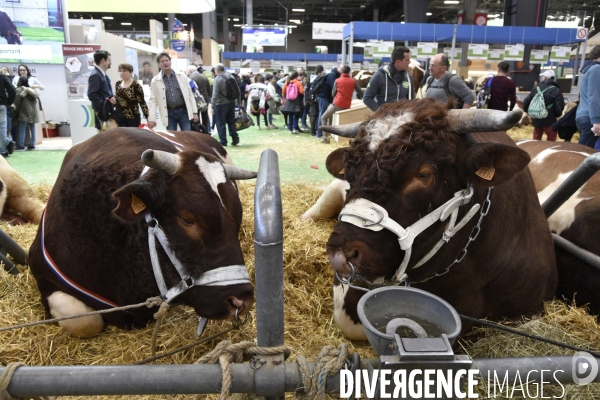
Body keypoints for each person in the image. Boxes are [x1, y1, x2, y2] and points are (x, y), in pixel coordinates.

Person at [147, 52, 198, 131]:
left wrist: (195, 112)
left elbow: (190, 94)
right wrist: (151, 118)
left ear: (170, 62)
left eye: (166, 60)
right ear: (159, 64)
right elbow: (153, 100)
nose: (165, 63)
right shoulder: (155, 81)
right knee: (172, 138)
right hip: (169, 114)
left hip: (183, 112)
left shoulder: (182, 76)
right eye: (162, 61)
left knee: (187, 136)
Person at [319, 66, 364, 143]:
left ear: (342, 72)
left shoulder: (337, 80)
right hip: (347, 105)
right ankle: (331, 134)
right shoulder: (353, 81)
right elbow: (361, 93)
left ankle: (325, 137)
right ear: (349, 72)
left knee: (324, 117)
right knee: (331, 117)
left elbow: (333, 93)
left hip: (337, 104)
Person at [363, 46, 414, 113]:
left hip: (403, 119)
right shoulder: (380, 76)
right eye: (407, 60)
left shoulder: (409, 77)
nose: (409, 62)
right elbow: (367, 98)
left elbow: (412, 100)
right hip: (384, 121)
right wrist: (380, 113)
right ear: (398, 61)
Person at [523, 70, 564, 141]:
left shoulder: (536, 88)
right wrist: (556, 115)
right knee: (551, 140)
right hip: (550, 121)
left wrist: (530, 112)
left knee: (536, 140)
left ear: (545, 78)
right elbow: (559, 107)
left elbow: (526, 102)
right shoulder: (556, 90)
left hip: (537, 120)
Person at [577, 45, 600, 149]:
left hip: (585, 116)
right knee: (582, 156)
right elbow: (594, 96)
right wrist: (596, 121)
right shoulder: (597, 69)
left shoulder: (589, 69)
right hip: (591, 118)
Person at [211, 63, 240, 146]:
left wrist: (213, 106)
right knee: (231, 122)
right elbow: (237, 90)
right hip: (231, 102)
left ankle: (223, 141)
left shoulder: (217, 79)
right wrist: (237, 101)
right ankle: (235, 139)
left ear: (217, 70)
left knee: (221, 123)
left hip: (221, 104)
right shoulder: (231, 76)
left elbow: (215, 94)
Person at [87, 50, 116, 132]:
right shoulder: (96, 75)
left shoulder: (102, 74)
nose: (110, 63)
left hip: (106, 111)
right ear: (103, 60)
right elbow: (91, 94)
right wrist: (104, 105)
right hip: (102, 112)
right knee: (103, 136)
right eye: (109, 61)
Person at [115, 63, 149, 127]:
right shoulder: (118, 84)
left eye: (125, 71)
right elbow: (117, 100)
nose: (122, 73)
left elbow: (142, 103)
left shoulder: (136, 85)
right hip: (120, 118)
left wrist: (148, 118)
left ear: (131, 72)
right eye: (120, 71)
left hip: (133, 117)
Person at [316, 64, 342, 139]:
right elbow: (334, 88)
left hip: (324, 96)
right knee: (323, 115)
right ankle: (320, 133)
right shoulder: (332, 75)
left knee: (322, 114)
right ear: (338, 68)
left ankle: (320, 132)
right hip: (324, 97)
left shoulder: (333, 74)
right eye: (341, 70)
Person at [13, 76, 39, 150]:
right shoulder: (32, 90)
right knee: (32, 128)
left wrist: (14, 112)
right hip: (33, 112)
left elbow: (16, 103)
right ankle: (32, 144)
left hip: (23, 112)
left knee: (22, 128)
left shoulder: (19, 90)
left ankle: (21, 145)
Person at [189, 65, 211, 133]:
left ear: (190, 71)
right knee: (205, 115)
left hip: (195, 100)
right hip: (205, 99)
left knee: (196, 115)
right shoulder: (204, 77)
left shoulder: (190, 78)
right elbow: (209, 89)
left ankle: (198, 131)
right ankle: (206, 130)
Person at [0, 67, 15, 157]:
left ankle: (4, 147)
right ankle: (5, 146)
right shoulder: (2, 76)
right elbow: (12, 90)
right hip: (1, 104)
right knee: (2, 126)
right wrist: (9, 102)